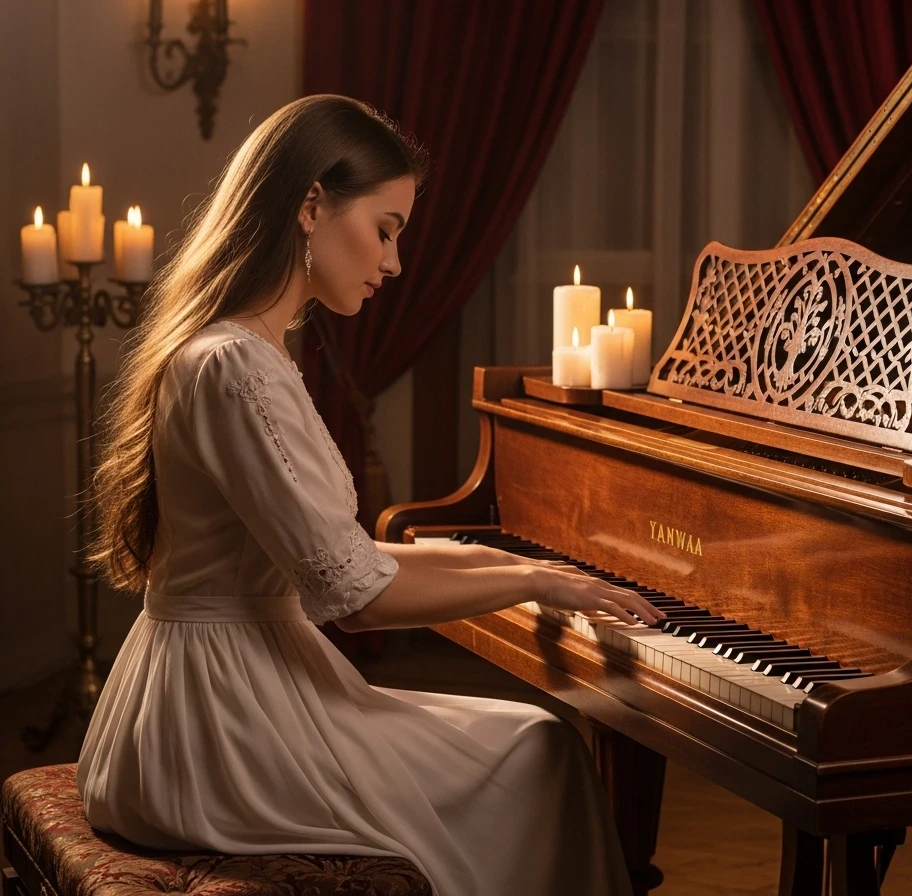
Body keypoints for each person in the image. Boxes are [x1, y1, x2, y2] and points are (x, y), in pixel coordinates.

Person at [79, 94, 665, 896]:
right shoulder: (233, 367)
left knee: (530, 742)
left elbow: (334, 556)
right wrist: (534, 579)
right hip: (214, 727)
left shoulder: (242, 350)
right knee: (537, 749)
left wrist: (485, 556)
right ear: (312, 205)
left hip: (220, 688)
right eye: (385, 230)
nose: (392, 263)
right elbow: (354, 596)